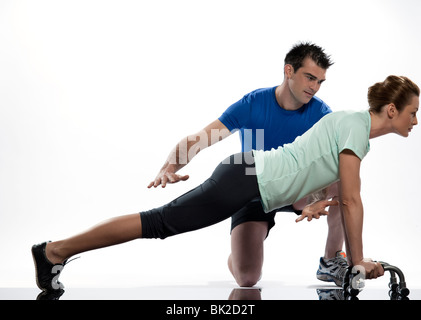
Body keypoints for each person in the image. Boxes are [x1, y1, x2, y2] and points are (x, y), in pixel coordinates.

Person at [32, 75, 419, 292]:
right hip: (248, 178)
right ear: (391, 109)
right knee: (159, 223)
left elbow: (328, 182)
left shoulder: (351, 129)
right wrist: (359, 262)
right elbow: (352, 200)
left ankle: (331, 263)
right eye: (413, 112)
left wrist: (316, 202)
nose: (415, 120)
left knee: (174, 231)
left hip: (255, 179)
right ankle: (54, 251)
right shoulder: (354, 127)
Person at [147, 42, 347, 287]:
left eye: (319, 81)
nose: (315, 88)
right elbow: (200, 139)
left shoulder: (321, 114)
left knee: (343, 182)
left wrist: (313, 197)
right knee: (248, 278)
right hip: (255, 191)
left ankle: (330, 261)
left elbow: (337, 163)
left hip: (296, 188)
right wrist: (170, 167)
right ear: (288, 71)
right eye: (309, 78)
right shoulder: (254, 104)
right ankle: (240, 255)